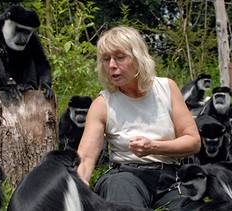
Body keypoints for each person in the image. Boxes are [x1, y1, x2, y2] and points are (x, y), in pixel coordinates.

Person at [76, 25, 203, 210]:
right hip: (124, 177)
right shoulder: (103, 104)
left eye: (120, 57)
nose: (111, 65)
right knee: (122, 197)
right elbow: (86, 158)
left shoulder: (167, 88)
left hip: (169, 177)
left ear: (138, 57)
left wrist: (154, 147)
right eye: (105, 59)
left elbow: (193, 142)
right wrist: (79, 182)